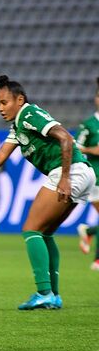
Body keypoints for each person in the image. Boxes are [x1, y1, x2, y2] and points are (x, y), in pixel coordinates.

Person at [0, 75, 95, 310]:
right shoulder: (18, 127)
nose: (0, 109)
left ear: (19, 99)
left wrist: (64, 178)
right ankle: (53, 294)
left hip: (68, 171)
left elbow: (64, 137)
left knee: (31, 229)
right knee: (45, 233)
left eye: (4, 102)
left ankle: (44, 292)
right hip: (81, 172)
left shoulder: (29, 114)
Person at [75, 77, 99, 270]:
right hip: (96, 177)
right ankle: (97, 260)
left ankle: (89, 230)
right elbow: (76, 147)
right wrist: (93, 150)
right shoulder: (89, 124)